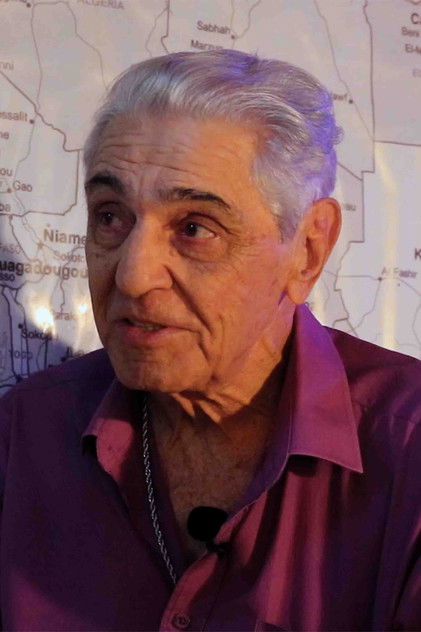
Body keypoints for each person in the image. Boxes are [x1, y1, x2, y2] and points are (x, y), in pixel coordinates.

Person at [0, 50, 419, 632]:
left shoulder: (408, 447)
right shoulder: (26, 434)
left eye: (195, 228)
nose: (132, 276)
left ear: (308, 250)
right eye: (111, 216)